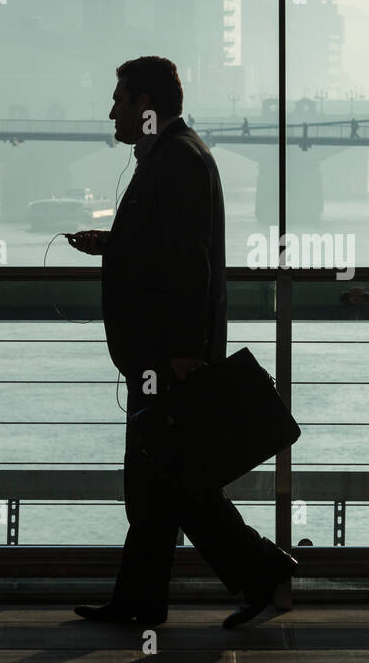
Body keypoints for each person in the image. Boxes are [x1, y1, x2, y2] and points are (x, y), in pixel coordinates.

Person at [67, 56, 297, 629]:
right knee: (158, 483)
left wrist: (185, 353)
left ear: (146, 104)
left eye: (119, 98)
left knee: (173, 482)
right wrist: (113, 245)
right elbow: (164, 249)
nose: (112, 110)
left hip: (166, 358)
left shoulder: (178, 161)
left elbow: (189, 263)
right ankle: (144, 601)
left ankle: (265, 574)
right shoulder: (174, 156)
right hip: (158, 354)